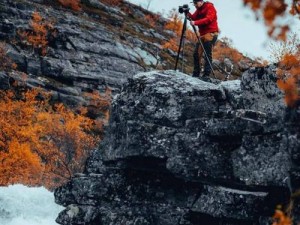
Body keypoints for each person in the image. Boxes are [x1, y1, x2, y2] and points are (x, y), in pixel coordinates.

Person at [187, 0, 219, 78]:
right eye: (193, 3)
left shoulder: (209, 7)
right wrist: (186, 12)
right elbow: (193, 17)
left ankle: (206, 75)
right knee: (196, 54)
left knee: (207, 54)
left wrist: (195, 23)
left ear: (201, 1)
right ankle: (196, 73)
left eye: (196, 3)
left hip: (211, 33)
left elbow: (208, 19)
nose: (195, 5)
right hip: (203, 35)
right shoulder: (199, 9)